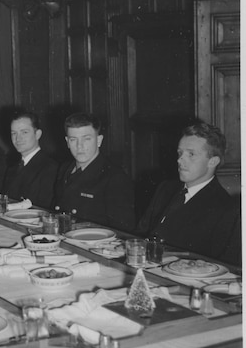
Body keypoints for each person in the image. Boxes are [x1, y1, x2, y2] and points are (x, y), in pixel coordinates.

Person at [136, 123, 240, 264]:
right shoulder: (166, 189)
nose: (180, 160)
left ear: (213, 161)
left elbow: (219, 264)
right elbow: (141, 234)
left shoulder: (225, 208)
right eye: (180, 153)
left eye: (191, 154)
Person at [53, 112, 135, 231]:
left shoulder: (114, 178)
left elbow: (122, 231)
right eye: (73, 139)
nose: (79, 146)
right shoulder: (65, 169)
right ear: (67, 142)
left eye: (86, 139)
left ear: (99, 140)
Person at [3, 110, 58, 207]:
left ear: (37, 134)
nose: (18, 139)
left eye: (24, 132)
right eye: (14, 133)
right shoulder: (13, 166)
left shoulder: (50, 168)